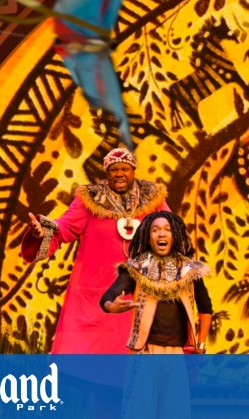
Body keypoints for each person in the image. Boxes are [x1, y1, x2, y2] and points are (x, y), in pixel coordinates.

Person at [22, 147, 169, 353]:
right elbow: (64, 228)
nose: (119, 174)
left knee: (137, 364)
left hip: (141, 294)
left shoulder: (153, 201)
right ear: (107, 173)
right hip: (95, 296)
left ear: (133, 170)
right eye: (114, 169)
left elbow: (172, 233)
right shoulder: (89, 201)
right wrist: (41, 232)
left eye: (124, 169)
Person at [100, 210, 212, 353]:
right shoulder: (136, 269)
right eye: (155, 230)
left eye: (168, 229)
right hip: (144, 352)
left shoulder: (190, 270)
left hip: (180, 353)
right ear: (148, 238)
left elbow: (205, 308)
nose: (161, 234)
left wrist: (201, 344)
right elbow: (107, 297)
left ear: (175, 236)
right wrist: (111, 306)